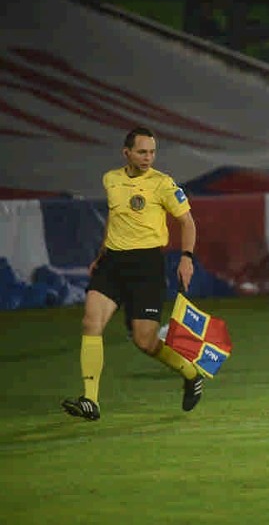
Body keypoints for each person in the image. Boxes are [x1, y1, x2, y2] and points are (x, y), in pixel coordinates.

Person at [61, 127, 204, 421]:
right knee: (91, 322)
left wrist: (186, 258)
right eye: (142, 152)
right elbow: (115, 221)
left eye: (152, 152)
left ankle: (191, 373)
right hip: (113, 263)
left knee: (145, 341)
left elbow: (187, 223)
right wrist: (100, 256)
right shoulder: (111, 179)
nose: (148, 157)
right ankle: (90, 400)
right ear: (126, 153)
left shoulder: (163, 184)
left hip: (147, 266)